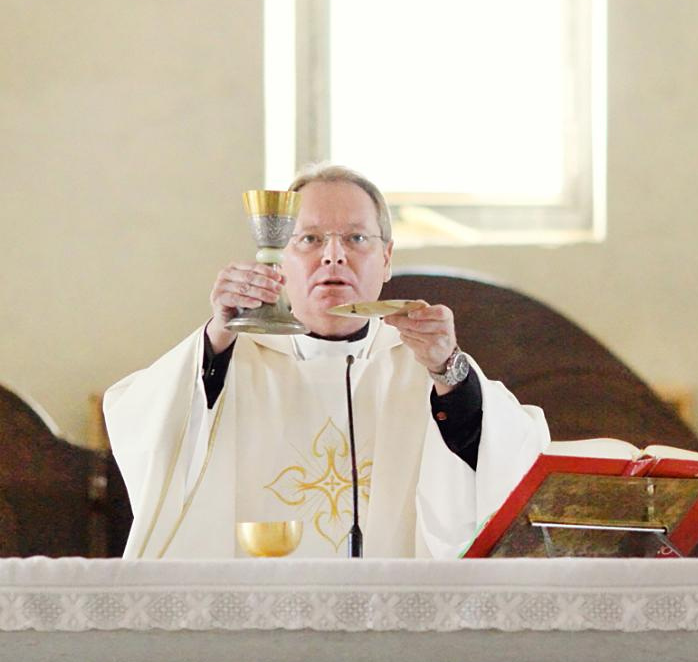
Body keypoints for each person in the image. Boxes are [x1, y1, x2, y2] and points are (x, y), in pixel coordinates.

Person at [104, 164, 549, 559]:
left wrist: (449, 370)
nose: (333, 255)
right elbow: (142, 423)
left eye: (356, 238)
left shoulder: (423, 360)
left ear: (387, 258)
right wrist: (219, 331)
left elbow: (511, 461)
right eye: (310, 239)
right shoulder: (227, 356)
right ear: (279, 259)